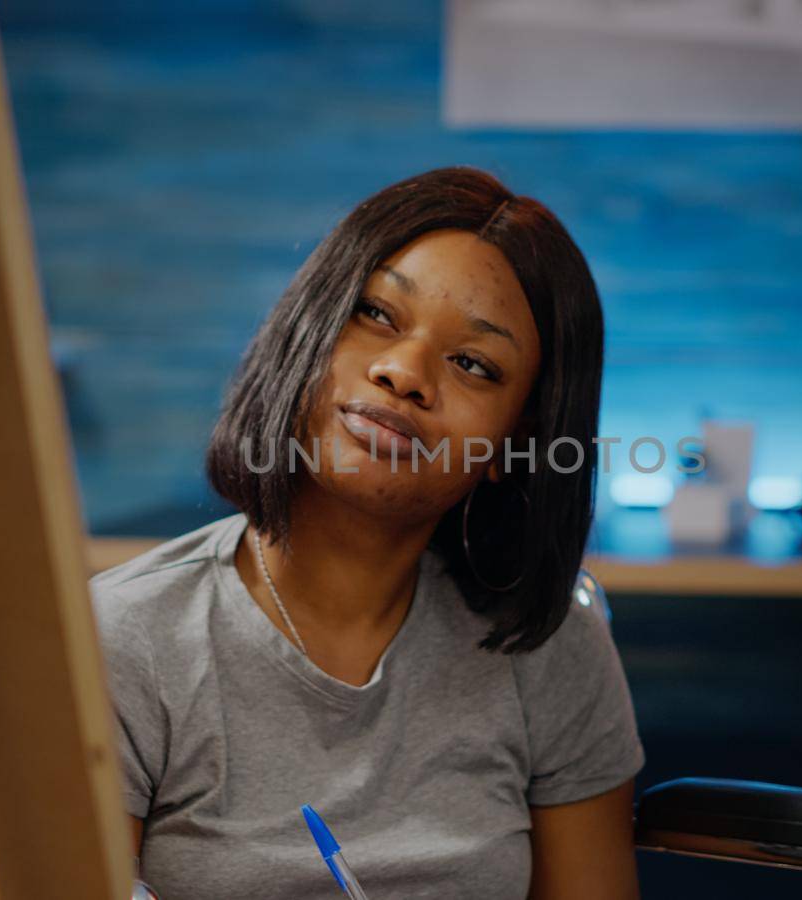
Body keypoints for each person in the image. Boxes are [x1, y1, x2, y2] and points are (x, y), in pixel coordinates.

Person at [90, 166, 643, 900]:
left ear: (517, 442)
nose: (405, 373)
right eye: (377, 315)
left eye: (474, 364)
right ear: (307, 328)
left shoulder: (546, 647)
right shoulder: (124, 639)